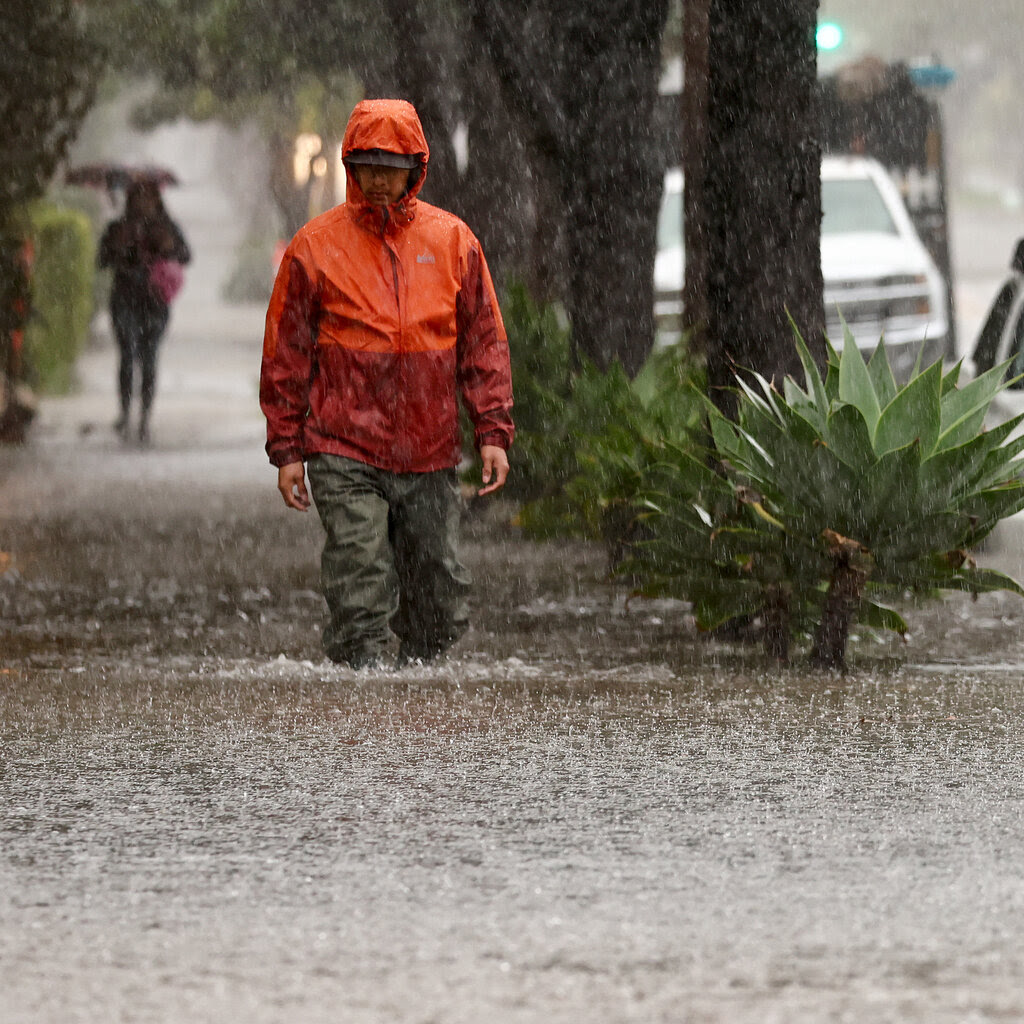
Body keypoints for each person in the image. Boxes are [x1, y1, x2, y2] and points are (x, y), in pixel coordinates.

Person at [260, 98, 514, 669]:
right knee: (358, 583)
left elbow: (483, 342)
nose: (378, 179)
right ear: (350, 166)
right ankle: (365, 694)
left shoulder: (454, 243)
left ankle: (414, 683)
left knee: (440, 595)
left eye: (390, 166)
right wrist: (288, 451)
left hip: (429, 451)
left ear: (415, 169)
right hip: (342, 447)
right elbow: (286, 354)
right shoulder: (314, 247)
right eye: (367, 166)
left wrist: (492, 430)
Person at [97, 179, 190, 443]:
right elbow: (101, 260)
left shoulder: (166, 227)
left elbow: (185, 255)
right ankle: (125, 414)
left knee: (149, 358)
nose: (142, 202)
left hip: (155, 304)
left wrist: (167, 246)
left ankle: (145, 418)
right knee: (127, 355)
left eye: (147, 197)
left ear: (156, 199)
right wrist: (118, 247)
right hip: (124, 299)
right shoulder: (118, 227)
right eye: (136, 197)